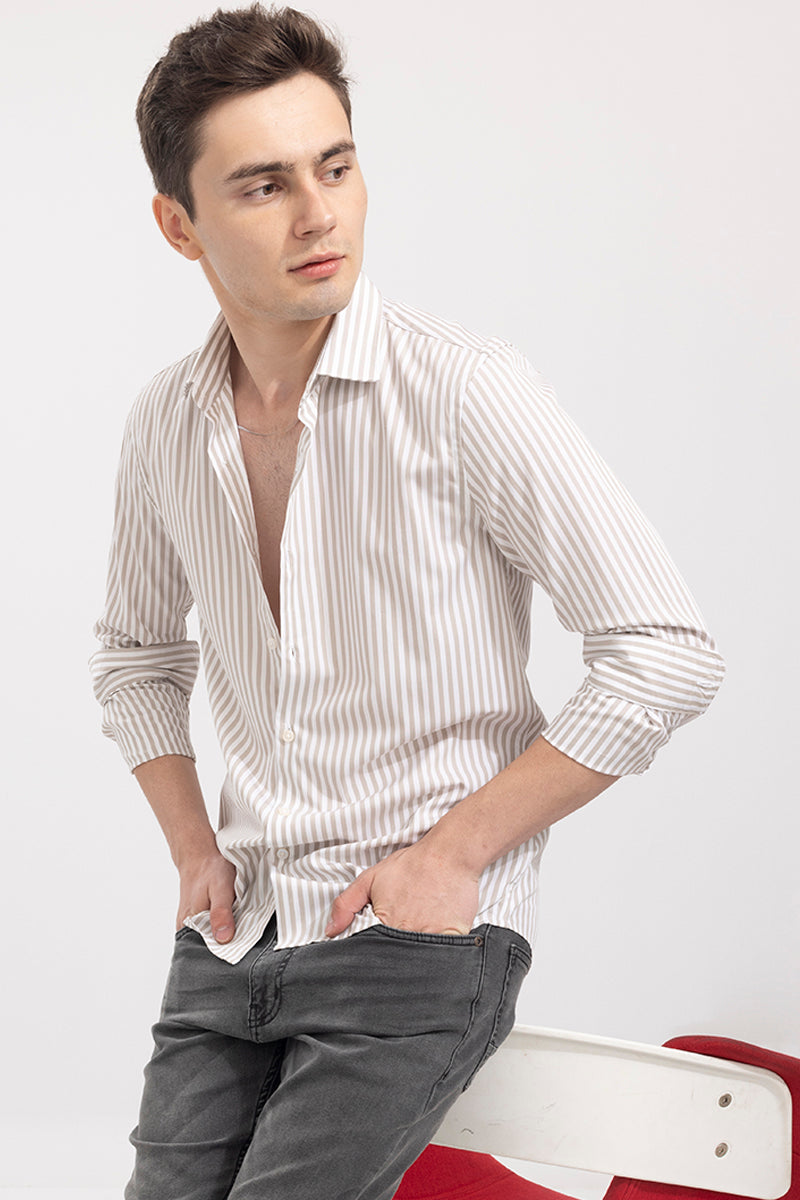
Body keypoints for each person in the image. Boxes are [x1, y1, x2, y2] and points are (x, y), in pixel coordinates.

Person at [90, 5, 725, 1198]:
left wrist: (452, 854)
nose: (318, 213)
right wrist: (190, 847)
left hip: (411, 939)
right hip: (235, 935)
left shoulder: (463, 391)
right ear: (179, 225)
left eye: (335, 167)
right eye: (264, 185)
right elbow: (134, 655)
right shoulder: (165, 423)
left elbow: (663, 649)